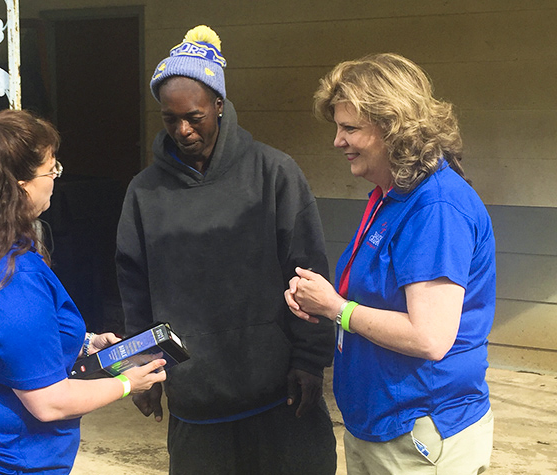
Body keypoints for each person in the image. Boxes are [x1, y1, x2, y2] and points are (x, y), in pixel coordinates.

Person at [115, 25, 336, 474]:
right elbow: (135, 292)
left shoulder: (274, 174)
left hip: (279, 394)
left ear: (219, 105)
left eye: (193, 116)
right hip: (198, 401)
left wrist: (311, 361)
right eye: (169, 118)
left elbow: (308, 272)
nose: (182, 129)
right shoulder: (145, 193)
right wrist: (144, 369)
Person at [0, 109, 167, 475]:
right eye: (51, 171)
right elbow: (49, 402)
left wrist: (82, 342)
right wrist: (127, 383)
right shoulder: (7, 277)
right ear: (19, 185)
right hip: (1, 460)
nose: (54, 180)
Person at [285, 53, 496, 474]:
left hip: (420, 436)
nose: (337, 141)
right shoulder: (390, 195)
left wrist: (336, 308)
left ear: (392, 129)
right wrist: (321, 299)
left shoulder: (435, 207)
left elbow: (429, 337)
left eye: (350, 128)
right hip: (379, 426)